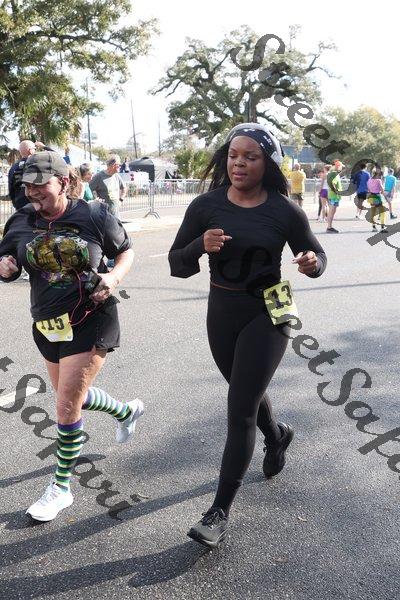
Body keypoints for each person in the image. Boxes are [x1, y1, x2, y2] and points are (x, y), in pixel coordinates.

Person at [168, 123, 327, 548]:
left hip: (271, 311)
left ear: (267, 164)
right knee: (247, 393)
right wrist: (199, 246)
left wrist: (313, 263)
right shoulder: (205, 206)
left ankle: (218, 513)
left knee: (239, 408)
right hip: (222, 310)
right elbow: (177, 265)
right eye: (233, 155)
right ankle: (277, 435)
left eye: (250, 157)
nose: (238, 163)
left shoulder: (284, 209)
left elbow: (315, 253)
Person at [0, 151, 143, 522]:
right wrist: (6, 267)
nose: (33, 192)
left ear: (63, 182)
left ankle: (61, 488)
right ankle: (126, 411)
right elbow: (7, 261)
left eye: (41, 185)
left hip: (91, 318)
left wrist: (113, 278)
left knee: (65, 405)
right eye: (27, 186)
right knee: (73, 396)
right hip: (47, 323)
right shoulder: (20, 220)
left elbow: (125, 252)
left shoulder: (93, 215)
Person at [367, 167, 387, 233]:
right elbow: (382, 189)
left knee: (373, 212)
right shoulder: (378, 180)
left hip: (371, 196)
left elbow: (368, 189)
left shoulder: (369, 180)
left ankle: (374, 227)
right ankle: (382, 228)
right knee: (382, 212)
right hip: (377, 196)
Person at [326, 161, 344, 233]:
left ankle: (329, 226)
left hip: (332, 195)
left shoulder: (332, 173)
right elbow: (332, 183)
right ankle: (329, 227)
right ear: (338, 167)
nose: (342, 168)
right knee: (332, 211)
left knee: (332, 211)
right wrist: (336, 191)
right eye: (341, 166)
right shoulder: (334, 174)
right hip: (334, 196)